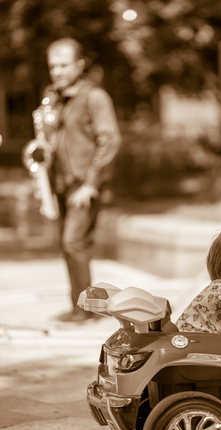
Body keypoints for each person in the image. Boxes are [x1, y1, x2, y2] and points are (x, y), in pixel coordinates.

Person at [44, 38, 121, 322]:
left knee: (73, 243)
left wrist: (91, 183)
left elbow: (110, 140)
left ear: (79, 64)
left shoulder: (94, 96)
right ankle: (80, 306)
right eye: (53, 66)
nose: (58, 71)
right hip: (61, 184)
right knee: (72, 245)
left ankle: (86, 310)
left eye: (64, 65)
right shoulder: (55, 97)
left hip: (84, 185)